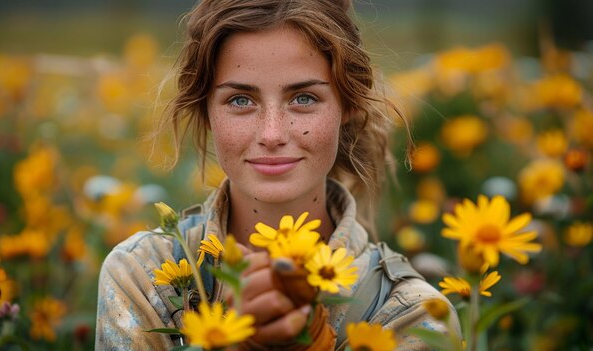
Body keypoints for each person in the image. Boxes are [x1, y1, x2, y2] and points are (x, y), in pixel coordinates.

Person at [96, 0, 461, 349]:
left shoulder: (413, 316)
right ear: (205, 110)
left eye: (303, 98)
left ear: (348, 104)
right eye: (241, 100)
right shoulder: (144, 277)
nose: (272, 134)